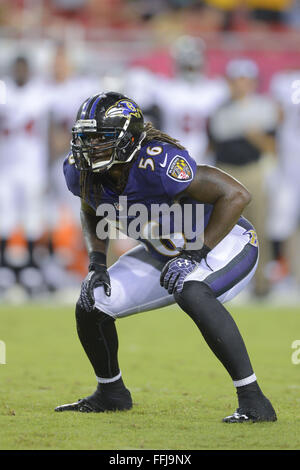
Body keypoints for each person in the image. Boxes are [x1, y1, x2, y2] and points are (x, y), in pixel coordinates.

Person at [55, 91, 277, 423]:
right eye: (85, 136)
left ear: (128, 139)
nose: (89, 145)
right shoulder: (82, 171)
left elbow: (236, 194)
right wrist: (97, 262)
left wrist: (197, 252)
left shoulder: (157, 163)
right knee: (93, 299)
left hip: (223, 242)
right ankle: (111, 393)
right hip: (166, 253)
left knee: (190, 289)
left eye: (101, 137)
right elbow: (91, 205)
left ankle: (254, 400)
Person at [208, 58, 281, 298]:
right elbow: (214, 141)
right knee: (222, 228)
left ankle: (261, 284)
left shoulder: (264, 107)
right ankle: (220, 283)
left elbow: (271, 146)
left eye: (245, 80)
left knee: (258, 227)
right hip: (226, 172)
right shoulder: (220, 108)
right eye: (237, 80)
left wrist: (255, 135)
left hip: (252, 170)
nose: (241, 85)